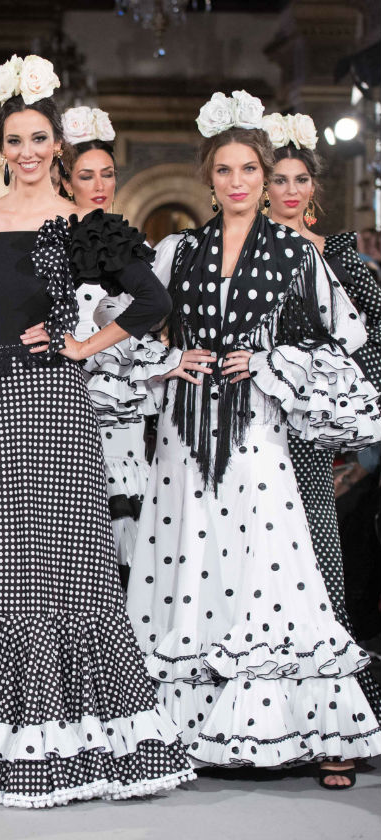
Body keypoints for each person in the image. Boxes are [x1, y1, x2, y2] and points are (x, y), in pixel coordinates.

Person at [0, 54, 193, 808]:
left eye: (37, 138)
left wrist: (82, 346)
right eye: (13, 139)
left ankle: (81, 737)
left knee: (70, 568)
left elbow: (151, 305)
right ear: (1, 147)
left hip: (57, 408)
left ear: (57, 146)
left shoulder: (85, 225)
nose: (25, 150)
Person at [126, 91, 381, 787]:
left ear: (266, 179)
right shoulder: (179, 251)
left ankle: (312, 728)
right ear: (208, 177)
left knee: (270, 570)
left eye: (249, 169)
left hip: (257, 431)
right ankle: (187, 730)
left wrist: (271, 361)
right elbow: (127, 330)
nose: (237, 181)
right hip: (183, 434)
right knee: (187, 563)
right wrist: (168, 358)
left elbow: (350, 339)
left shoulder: (297, 254)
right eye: (224, 170)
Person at [264, 110, 381, 782]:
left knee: (318, 567)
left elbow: (372, 336)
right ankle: (266, 723)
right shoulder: (241, 251)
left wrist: (352, 426)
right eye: (275, 178)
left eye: (297, 178)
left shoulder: (336, 253)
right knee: (258, 571)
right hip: (248, 430)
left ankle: (333, 728)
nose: (286, 189)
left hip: (309, 436)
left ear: (314, 188)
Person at [61, 106, 175, 571]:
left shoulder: (122, 243)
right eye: (87, 176)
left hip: (121, 398)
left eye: (107, 174)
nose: (100, 185)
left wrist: (91, 345)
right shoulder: (50, 237)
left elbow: (154, 310)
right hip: (66, 394)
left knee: (126, 503)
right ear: (66, 182)